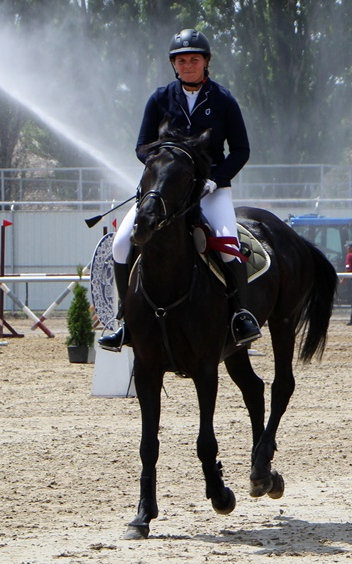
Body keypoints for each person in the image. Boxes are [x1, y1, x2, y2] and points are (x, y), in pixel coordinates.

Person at [99, 28, 260, 350]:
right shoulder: (160, 98)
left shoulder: (223, 100)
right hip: (165, 190)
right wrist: (166, 163)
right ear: (174, 65)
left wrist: (214, 179)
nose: (188, 65)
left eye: (194, 59)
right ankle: (125, 320)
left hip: (211, 189)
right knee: (120, 245)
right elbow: (142, 146)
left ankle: (241, 315)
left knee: (228, 248)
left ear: (206, 62)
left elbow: (241, 150)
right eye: (181, 60)